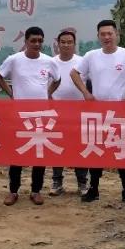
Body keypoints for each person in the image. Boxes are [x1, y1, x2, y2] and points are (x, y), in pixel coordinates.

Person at [69, 19, 125, 204]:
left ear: (117, 34)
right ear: (98, 36)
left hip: (122, 113)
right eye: (103, 34)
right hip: (97, 112)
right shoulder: (91, 56)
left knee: (122, 152)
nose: (107, 37)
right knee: (96, 150)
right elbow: (74, 73)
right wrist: (86, 93)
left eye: (110, 33)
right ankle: (93, 189)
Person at [0, 26, 59, 206]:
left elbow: (58, 79)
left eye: (40, 41)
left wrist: (48, 93)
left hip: (41, 115)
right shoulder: (14, 60)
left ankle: (36, 190)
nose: (36, 44)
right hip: (19, 115)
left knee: (39, 153)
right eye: (33, 41)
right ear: (26, 42)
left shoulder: (48, 61)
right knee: (17, 153)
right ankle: (13, 191)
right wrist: (11, 94)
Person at [46, 29, 87, 196]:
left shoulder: (82, 62)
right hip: (56, 112)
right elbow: (46, 84)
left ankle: (82, 183)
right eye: (63, 42)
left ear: (74, 44)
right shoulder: (51, 62)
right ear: (58, 44)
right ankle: (57, 182)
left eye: (69, 42)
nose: (66, 45)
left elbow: (90, 84)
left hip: (79, 112)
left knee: (80, 147)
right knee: (57, 147)